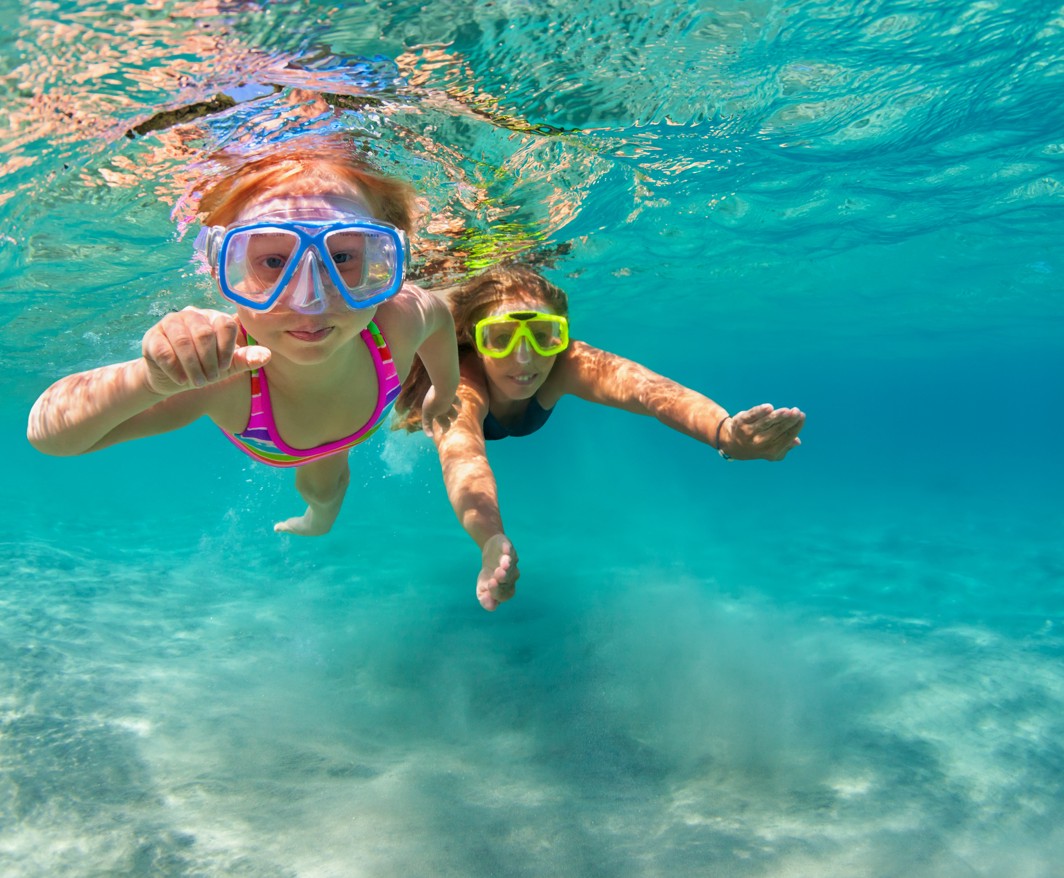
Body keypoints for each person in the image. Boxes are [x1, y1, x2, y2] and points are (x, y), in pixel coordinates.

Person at [28, 138, 460, 535]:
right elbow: (50, 435)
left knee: (329, 485)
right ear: (223, 270)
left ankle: (318, 520)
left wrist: (444, 390)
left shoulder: (399, 317)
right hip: (277, 439)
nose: (310, 299)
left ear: (384, 260)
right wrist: (151, 380)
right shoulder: (221, 374)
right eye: (273, 261)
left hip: (350, 431)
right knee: (324, 484)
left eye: (343, 256)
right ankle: (317, 520)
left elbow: (439, 322)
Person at [395, 263, 805, 611]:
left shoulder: (567, 364)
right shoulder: (460, 384)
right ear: (476, 341)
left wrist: (725, 433)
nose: (525, 358)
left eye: (543, 335)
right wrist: (488, 540)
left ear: (562, 336)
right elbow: (464, 458)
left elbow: (649, 391)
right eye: (500, 338)